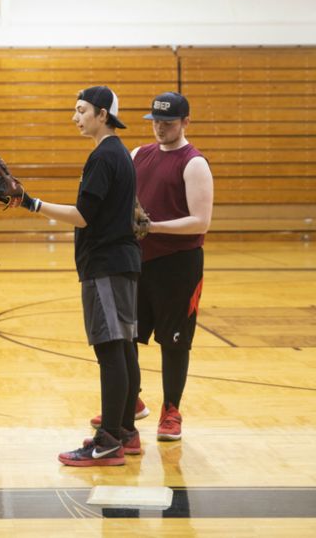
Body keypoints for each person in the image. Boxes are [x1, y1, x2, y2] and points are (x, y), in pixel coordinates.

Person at [3, 86, 142, 466]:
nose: (75, 117)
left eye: (80, 110)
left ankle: (109, 440)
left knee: (111, 350)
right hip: (123, 262)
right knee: (125, 347)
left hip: (106, 265)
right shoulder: (119, 154)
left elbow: (83, 216)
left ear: (101, 114)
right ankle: (126, 431)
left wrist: (31, 203)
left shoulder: (104, 156)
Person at [121, 92, 213, 442]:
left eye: (169, 122)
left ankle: (171, 409)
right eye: (156, 121)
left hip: (179, 264)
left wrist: (153, 227)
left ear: (185, 122)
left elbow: (200, 222)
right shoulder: (137, 154)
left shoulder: (194, 163)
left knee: (175, 341)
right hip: (137, 261)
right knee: (126, 334)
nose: (160, 128)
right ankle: (131, 400)